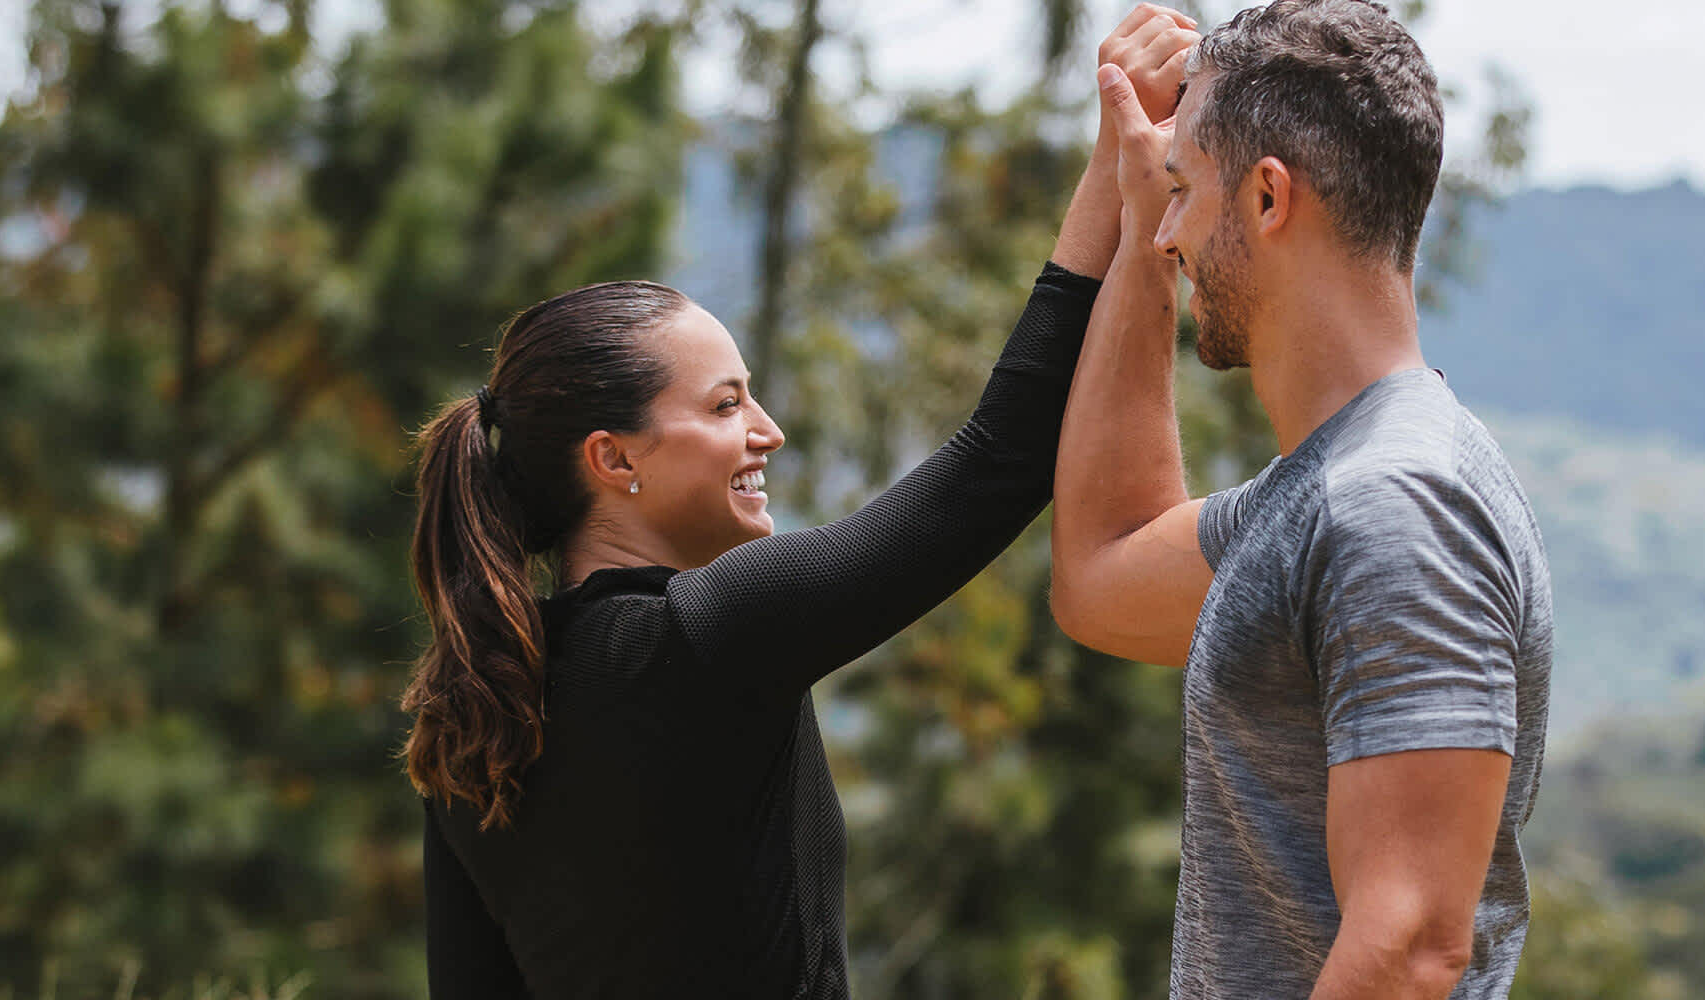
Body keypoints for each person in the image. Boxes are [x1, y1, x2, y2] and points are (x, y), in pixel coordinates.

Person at [400, 9, 1199, 995]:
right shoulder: (703, 639)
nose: (766, 430)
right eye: (726, 404)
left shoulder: (473, 730)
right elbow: (994, 464)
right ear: (612, 458)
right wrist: (1110, 176)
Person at [1048, 2, 1553, 998]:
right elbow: (1102, 572)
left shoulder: (1397, 503)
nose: (1169, 231)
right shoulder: (1322, 492)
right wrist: (1129, 204)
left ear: (1269, 199)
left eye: (1183, 190)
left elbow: (1409, 951)